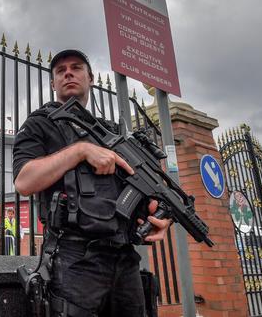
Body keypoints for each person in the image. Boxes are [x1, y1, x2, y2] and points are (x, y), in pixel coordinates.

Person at [13, 49, 171, 316]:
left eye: (76, 68)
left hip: (125, 256)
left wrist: (159, 217)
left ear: (91, 78)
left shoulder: (114, 132)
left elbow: (144, 188)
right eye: (60, 71)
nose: (68, 73)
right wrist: (80, 151)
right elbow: (24, 181)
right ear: (53, 83)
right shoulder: (40, 123)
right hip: (74, 257)